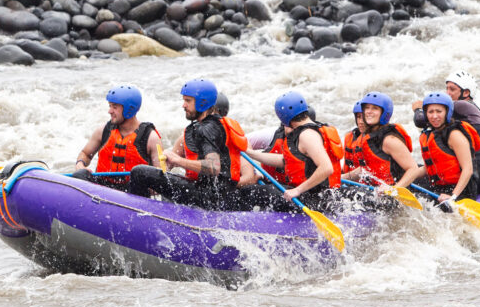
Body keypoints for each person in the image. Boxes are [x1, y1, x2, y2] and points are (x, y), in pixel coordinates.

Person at [127, 79, 248, 209]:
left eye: (188, 101)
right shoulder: (215, 125)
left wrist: (178, 160)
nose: (183, 105)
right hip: (219, 195)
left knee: (139, 172)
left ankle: (136, 215)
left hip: (209, 197)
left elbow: (213, 167)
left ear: (202, 103)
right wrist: (172, 162)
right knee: (165, 178)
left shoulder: (207, 129)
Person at [244, 91, 344, 212]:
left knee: (249, 191)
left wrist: (297, 190)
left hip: (313, 200)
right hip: (320, 197)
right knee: (266, 188)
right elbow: (285, 161)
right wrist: (252, 154)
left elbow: (326, 168)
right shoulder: (310, 130)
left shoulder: (307, 135)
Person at [412, 70, 480, 193]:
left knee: (416, 179)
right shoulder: (469, 110)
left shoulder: (460, 105)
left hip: (476, 173)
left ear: (466, 92)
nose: (447, 93)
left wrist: (418, 109)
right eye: (447, 89)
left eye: (452, 89)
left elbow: (420, 120)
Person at [73, 85, 161, 189]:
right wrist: (80, 164)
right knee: (79, 175)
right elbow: (85, 154)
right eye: (109, 106)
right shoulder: (103, 131)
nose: (109, 111)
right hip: (103, 188)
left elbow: (160, 176)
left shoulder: (151, 138)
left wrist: (151, 187)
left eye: (114, 107)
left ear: (129, 109)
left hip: (133, 192)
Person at [416, 91, 480, 206]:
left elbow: (468, 169)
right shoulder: (430, 135)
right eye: (430, 112)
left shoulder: (454, 135)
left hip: (461, 190)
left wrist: (453, 196)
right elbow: (429, 168)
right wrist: (404, 178)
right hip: (440, 187)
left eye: (439, 111)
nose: (434, 116)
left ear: (447, 112)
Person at [349, 92, 422, 189]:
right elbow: (366, 168)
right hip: (375, 191)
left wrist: (393, 190)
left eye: (374, 108)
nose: (369, 111)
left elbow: (413, 169)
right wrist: (342, 177)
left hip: (392, 194)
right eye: (367, 108)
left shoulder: (389, 140)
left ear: (384, 113)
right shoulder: (368, 137)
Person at [341, 99, 367, 179]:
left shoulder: (377, 140)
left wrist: (342, 178)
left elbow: (367, 169)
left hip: (367, 185)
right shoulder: (349, 137)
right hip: (350, 183)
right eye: (358, 117)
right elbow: (346, 165)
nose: (361, 121)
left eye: (364, 117)